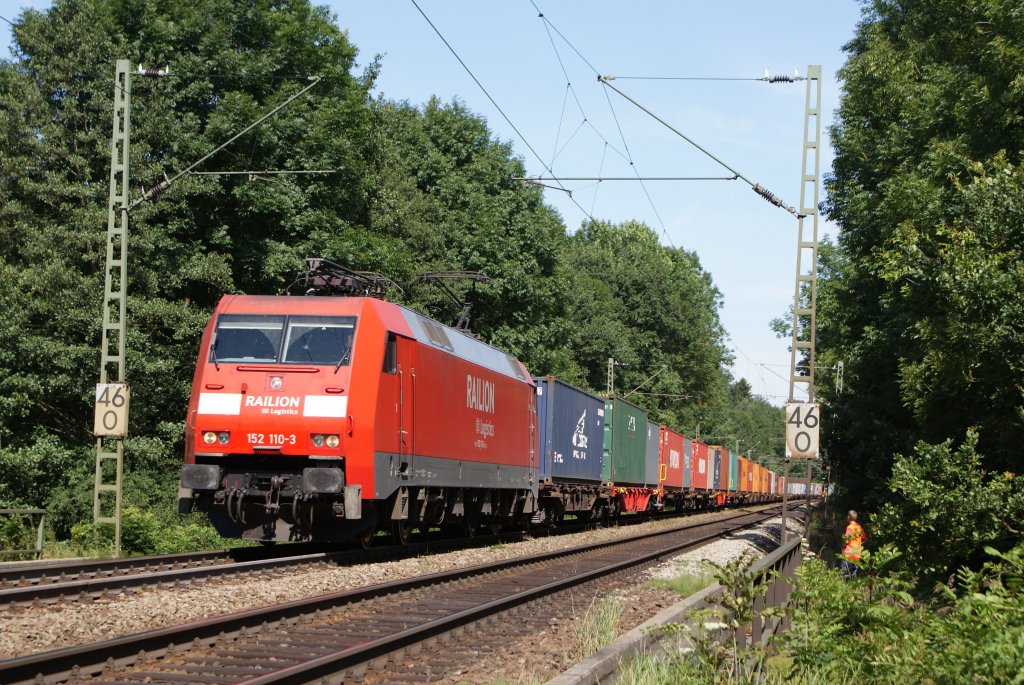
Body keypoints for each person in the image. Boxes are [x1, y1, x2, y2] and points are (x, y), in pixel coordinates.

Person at [841, 509, 865, 579]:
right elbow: (865, 538)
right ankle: (853, 588)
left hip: (849, 553)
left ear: (848, 517)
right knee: (853, 574)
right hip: (857, 553)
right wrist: (859, 544)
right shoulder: (859, 527)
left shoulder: (849, 527)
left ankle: (843, 588)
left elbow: (846, 539)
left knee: (844, 574)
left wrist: (843, 548)